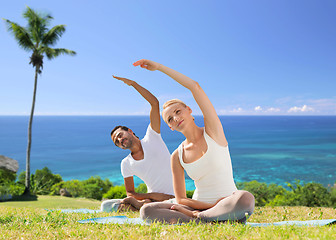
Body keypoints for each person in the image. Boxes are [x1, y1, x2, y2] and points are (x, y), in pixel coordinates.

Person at [133, 59, 255, 224]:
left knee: (245, 198)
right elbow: (181, 199)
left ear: (189, 110)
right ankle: (211, 218)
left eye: (178, 111)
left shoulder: (213, 132)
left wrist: (160, 68)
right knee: (147, 210)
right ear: (170, 127)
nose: (176, 118)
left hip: (227, 203)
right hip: (197, 206)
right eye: (170, 119)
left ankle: (201, 218)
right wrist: (206, 207)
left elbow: (194, 86)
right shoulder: (177, 156)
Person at [102, 76, 174, 212]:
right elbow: (130, 193)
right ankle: (144, 204)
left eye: (120, 136)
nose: (120, 140)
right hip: (154, 199)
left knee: (150, 206)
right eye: (117, 142)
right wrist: (154, 195)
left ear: (129, 131)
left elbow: (154, 103)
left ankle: (140, 206)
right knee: (105, 205)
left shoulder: (153, 136)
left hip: (176, 196)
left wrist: (134, 84)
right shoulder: (126, 163)